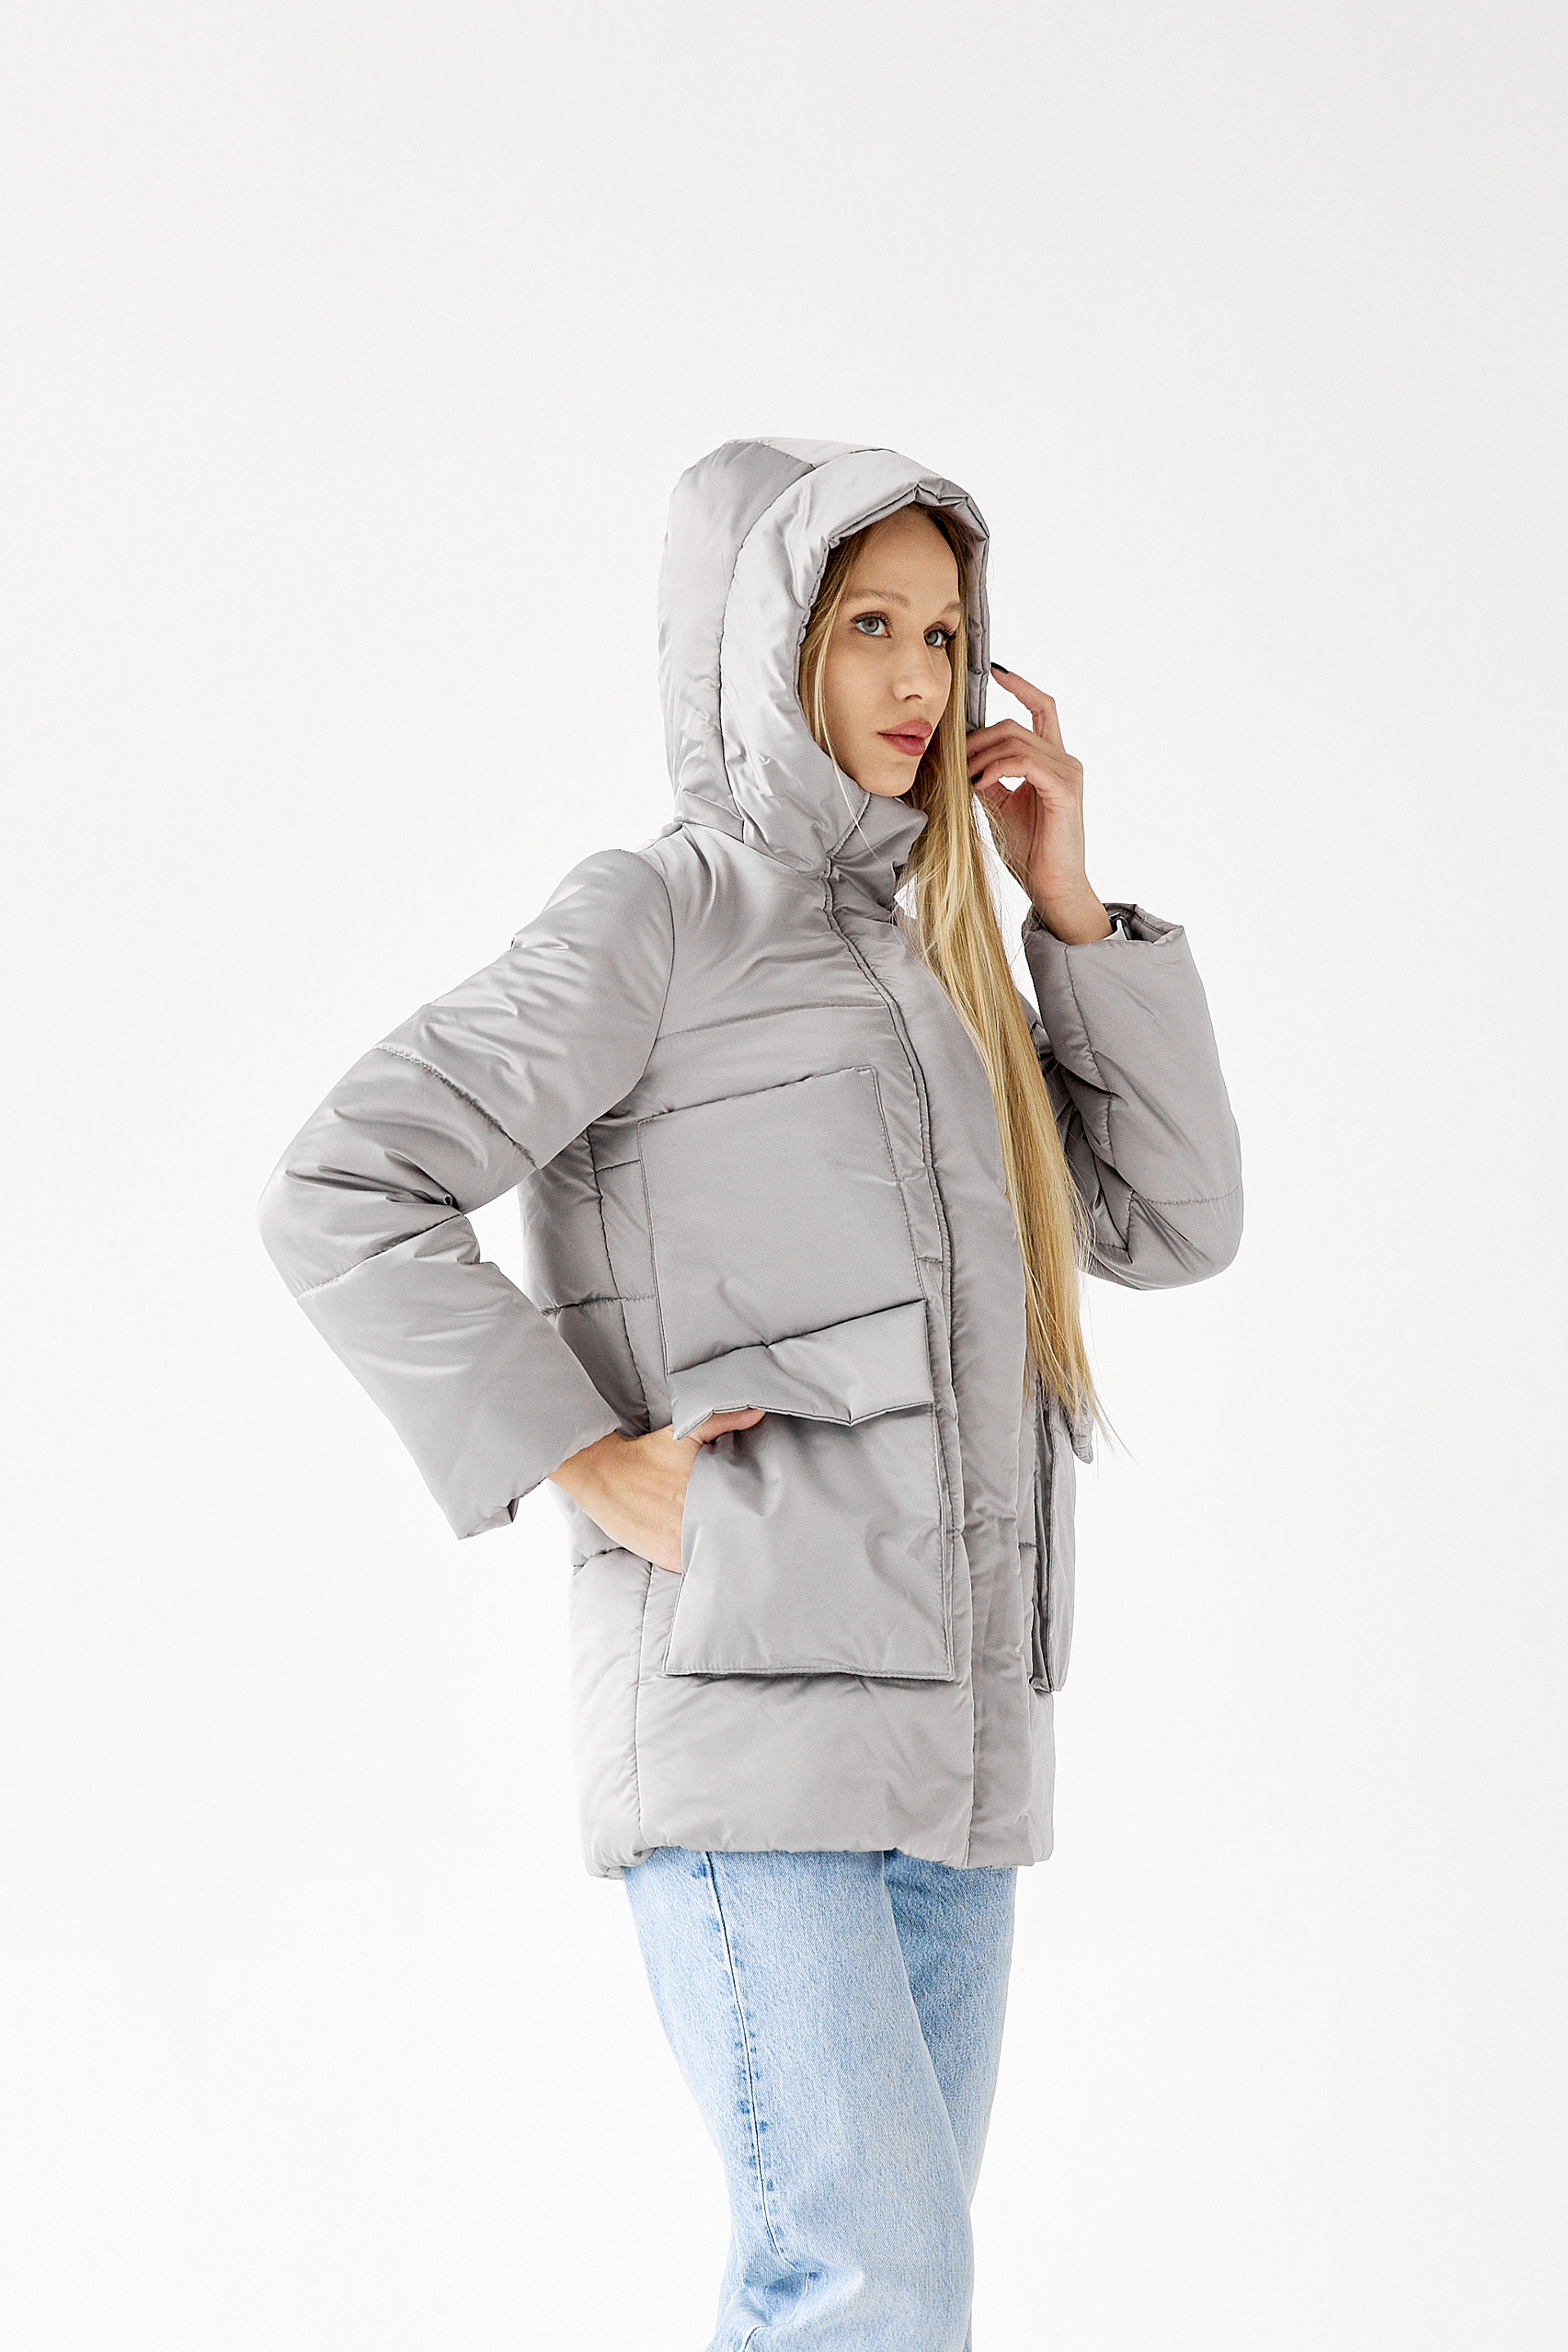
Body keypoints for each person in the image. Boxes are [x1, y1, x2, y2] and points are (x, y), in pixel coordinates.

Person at [257, 434, 1243, 2350]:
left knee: (856, 2287)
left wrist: (1065, 910)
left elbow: (1170, 1222)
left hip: (961, 1749)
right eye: (866, 623)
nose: (916, 677)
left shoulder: (946, 961)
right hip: (745, 1726)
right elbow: (341, 1183)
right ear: (759, 644)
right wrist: (577, 1453)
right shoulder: (659, 915)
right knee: (871, 2279)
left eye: (945, 633)